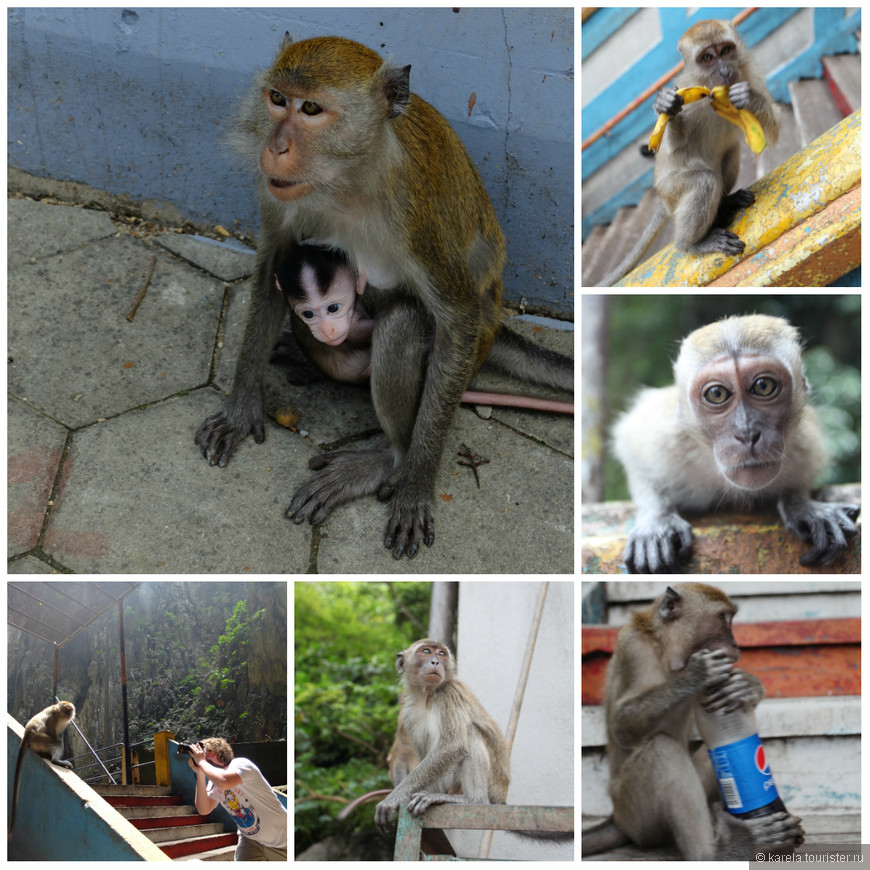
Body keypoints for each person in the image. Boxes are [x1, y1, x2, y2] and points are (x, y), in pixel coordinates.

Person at [188, 737, 287, 861]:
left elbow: (224, 781)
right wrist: (200, 773)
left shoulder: (241, 764)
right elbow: (204, 809)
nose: (200, 756)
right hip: (250, 840)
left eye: (205, 753)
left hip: (283, 840)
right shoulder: (214, 783)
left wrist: (202, 762)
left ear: (220, 753)